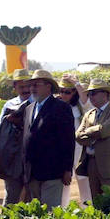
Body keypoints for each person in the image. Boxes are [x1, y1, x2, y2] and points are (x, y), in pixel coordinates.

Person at [21, 70, 74, 210]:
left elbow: (68, 140)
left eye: (36, 84)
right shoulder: (29, 109)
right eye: (31, 85)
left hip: (52, 171)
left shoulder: (61, 108)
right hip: (32, 172)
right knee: (36, 212)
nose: (32, 88)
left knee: (50, 213)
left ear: (48, 86)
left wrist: (67, 169)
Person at [75, 78, 110, 204]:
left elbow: (105, 130)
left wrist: (88, 132)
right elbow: (77, 136)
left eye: (94, 93)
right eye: (89, 94)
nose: (91, 96)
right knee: (96, 200)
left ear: (105, 94)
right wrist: (94, 133)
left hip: (109, 163)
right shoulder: (89, 114)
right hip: (91, 162)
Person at [0, 68, 33, 204]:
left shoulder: (38, 103)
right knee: (12, 193)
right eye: (22, 86)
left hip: (32, 156)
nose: (26, 89)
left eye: (28, 86)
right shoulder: (9, 104)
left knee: (31, 195)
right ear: (15, 87)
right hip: (13, 155)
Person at [57, 74, 91, 205]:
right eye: (61, 91)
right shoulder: (57, 105)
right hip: (63, 147)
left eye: (67, 92)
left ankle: (87, 208)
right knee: (64, 178)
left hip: (79, 146)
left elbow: (87, 103)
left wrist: (77, 84)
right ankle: (62, 207)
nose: (63, 95)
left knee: (83, 177)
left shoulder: (79, 106)